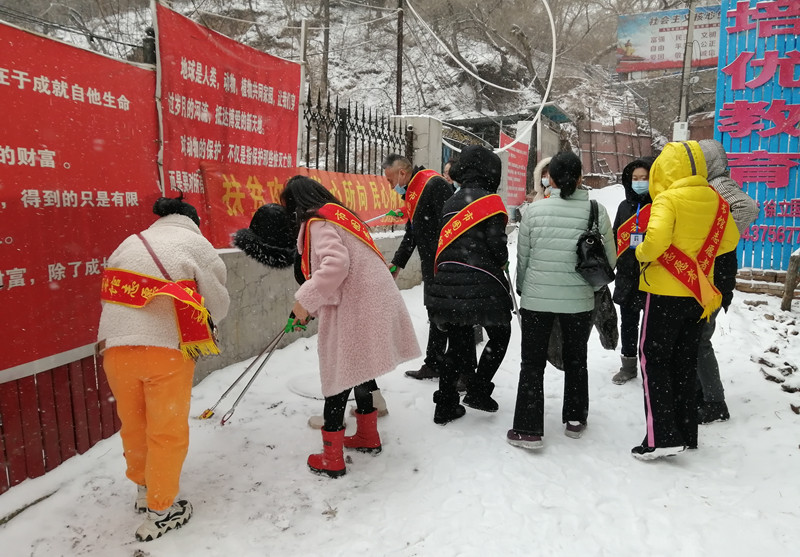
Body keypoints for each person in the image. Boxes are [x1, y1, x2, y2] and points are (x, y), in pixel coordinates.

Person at [98, 196, 230, 542]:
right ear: (193, 221)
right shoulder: (196, 243)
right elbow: (217, 302)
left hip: (115, 348)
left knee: (135, 424)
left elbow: (111, 293)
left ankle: (143, 490)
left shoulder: (129, 242)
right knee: (166, 431)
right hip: (164, 350)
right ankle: (161, 510)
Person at [281, 176, 421, 477]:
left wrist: (304, 301)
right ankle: (368, 436)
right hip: (370, 299)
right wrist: (312, 305)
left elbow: (335, 265)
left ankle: (331, 458)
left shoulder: (318, 222)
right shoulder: (339, 216)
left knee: (339, 375)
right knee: (359, 369)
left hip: (357, 304)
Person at [232, 204, 389, 428]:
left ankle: (333, 430)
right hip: (361, 302)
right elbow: (324, 286)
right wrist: (308, 309)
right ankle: (369, 409)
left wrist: (306, 305)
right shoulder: (318, 228)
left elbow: (333, 274)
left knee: (343, 366)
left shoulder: (315, 232)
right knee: (355, 361)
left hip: (351, 308)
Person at [632, 140, 740, 460]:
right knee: (684, 362)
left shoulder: (667, 199)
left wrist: (640, 253)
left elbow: (654, 244)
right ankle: (685, 432)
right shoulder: (716, 201)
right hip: (697, 294)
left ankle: (661, 437)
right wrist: (697, 256)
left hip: (665, 294)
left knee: (653, 361)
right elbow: (730, 239)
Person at [508, 151, 616, 449]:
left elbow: (523, 258)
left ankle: (528, 429)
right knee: (576, 358)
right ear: (581, 178)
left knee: (531, 363)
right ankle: (575, 418)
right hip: (580, 300)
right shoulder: (596, 211)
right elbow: (611, 258)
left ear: (550, 179)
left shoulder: (534, 212)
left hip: (537, 301)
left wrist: (523, 289)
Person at [425, 146, 513, 424]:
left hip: (448, 286)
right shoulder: (491, 202)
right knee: (500, 335)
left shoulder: (450, 202)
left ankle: (446, 405)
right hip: (482, 285)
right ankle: (478, 389)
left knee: (458, 344)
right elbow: (498, 251)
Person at [696, 139, 759, 423]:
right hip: (712, 274)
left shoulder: (719, 184)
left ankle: (714, 402)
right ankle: (701, 393)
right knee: (697, 337)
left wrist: (719, 238)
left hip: (716, 276)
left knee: (699, 341)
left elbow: (748, 208)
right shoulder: (710, 184)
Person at [383, 154, 454, 380]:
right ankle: (433, 363)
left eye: (389, 179)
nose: (390, 186)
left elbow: (451, 223)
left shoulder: (433, 184)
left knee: (447, 316)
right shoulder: (415, 191)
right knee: (435, 312)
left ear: (402, 173)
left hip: (445, 263)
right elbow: (413, 232)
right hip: (431, 262)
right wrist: (397, 264)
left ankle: (457, 369)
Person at [611, 157, 655, 385]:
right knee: (627, 324)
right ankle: (628, 366)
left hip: (651, 277)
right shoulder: (623, 206)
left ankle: (650, 368)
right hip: (627, 277)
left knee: (651, 329)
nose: (639, 183)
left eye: (644, 179)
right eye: (635, 179)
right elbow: (614, 236)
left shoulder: (659, 204)